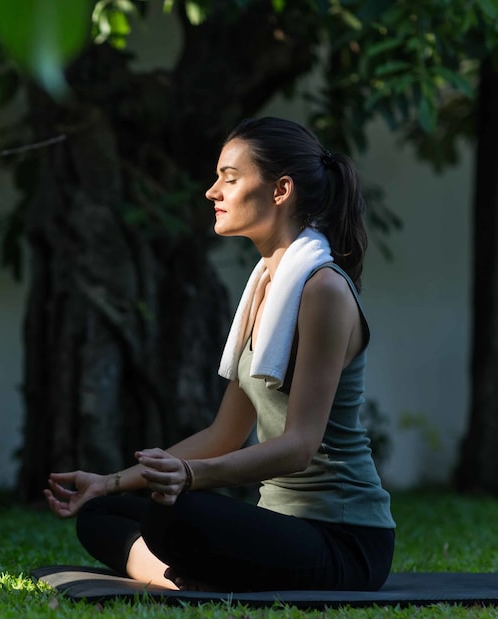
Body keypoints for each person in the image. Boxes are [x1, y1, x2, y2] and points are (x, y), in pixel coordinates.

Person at [43, 117, 395, 592]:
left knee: (174, 514)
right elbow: (224, 433)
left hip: (344, 538)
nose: (212, 192)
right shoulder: (266, 287)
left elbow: (300, 447)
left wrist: (189, 477)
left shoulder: (323, 289)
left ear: (281, 190)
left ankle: (189, 573)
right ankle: (186, 579)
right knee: (103, 512)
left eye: (229, 178)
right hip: (282, 526)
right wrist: (110, 481)